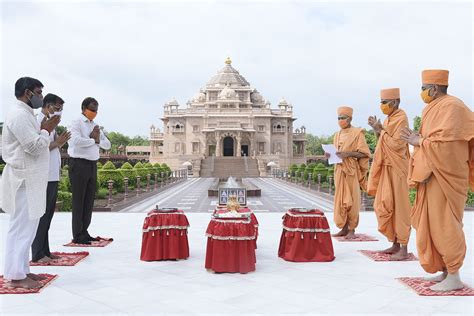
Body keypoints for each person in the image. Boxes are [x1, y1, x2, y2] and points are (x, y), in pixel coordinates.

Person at [400, 69, 473, 291]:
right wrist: (420, 140)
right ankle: (444, 270)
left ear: (434, 88)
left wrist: (420, 140)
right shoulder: (430, 108)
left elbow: (450, 145)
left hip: (446, 176)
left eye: (423, 88)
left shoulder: (453, 107)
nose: (422, 93)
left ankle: (454, 275)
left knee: (445, 225)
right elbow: (432, 140)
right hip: (430, 175)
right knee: (430, 225)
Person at [1, 77, 60, 288]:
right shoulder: (18, 115)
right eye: (39, 92)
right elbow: (35, 147)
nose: (41, 97)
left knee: (29, 227)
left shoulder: (27, 115)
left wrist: (44, 128)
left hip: (31, 178)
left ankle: (22, 269)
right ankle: (15, 276)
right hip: (23, 178)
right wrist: (45, 130)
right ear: (27, 93)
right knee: (20, 228)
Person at [367, 88, 411, 260]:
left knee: (401, 208)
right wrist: (378, 130)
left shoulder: (401, 118)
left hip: (398, 169)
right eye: (381, 102)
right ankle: (395, 243)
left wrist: (381, 130)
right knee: (384, 204)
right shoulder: (389, 119)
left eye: (385, 102)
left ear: (396, 102)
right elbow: (383, 144)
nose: (382, 106)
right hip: (386, 167)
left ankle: (404, 248)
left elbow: (397, 145)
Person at [31, 94, 71, 263]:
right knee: (41, 216)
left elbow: (52, 147)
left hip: (52, 175)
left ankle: (45, 250)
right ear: (47, 106)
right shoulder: (38, 121)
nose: (59, 112)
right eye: (56, 108)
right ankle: (37, 253)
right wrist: (59, 142)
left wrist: (59, 141)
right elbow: (40, 146)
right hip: (43, 175)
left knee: (48, 216)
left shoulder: (51, 124)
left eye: (61, 109)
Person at [67, 97, 111, 244]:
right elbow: (75, 141)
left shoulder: (95, 125)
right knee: (79, 200)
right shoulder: (76, 122)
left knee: (88, 200)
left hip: (92, 165)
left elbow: (108, 145)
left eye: (96, 110)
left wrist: (97, 140)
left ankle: (84, 231)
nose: (94, 113)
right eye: (92, 110)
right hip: (78, 164)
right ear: (84, 108)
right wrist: (93, 140)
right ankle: (77, 235)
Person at [326, 106, 370, 239]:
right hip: (339, 169)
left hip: (351, 170)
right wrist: (329, 155)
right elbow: (336, 153)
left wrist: (347, 154)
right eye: (338, 118)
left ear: (350, 118)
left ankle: (352, 229)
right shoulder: (337, 134)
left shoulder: (357, 133)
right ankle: (344, 228)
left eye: (343, 118)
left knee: (352, 200)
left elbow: (364, 153)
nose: (340, 120)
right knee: (340, 199)